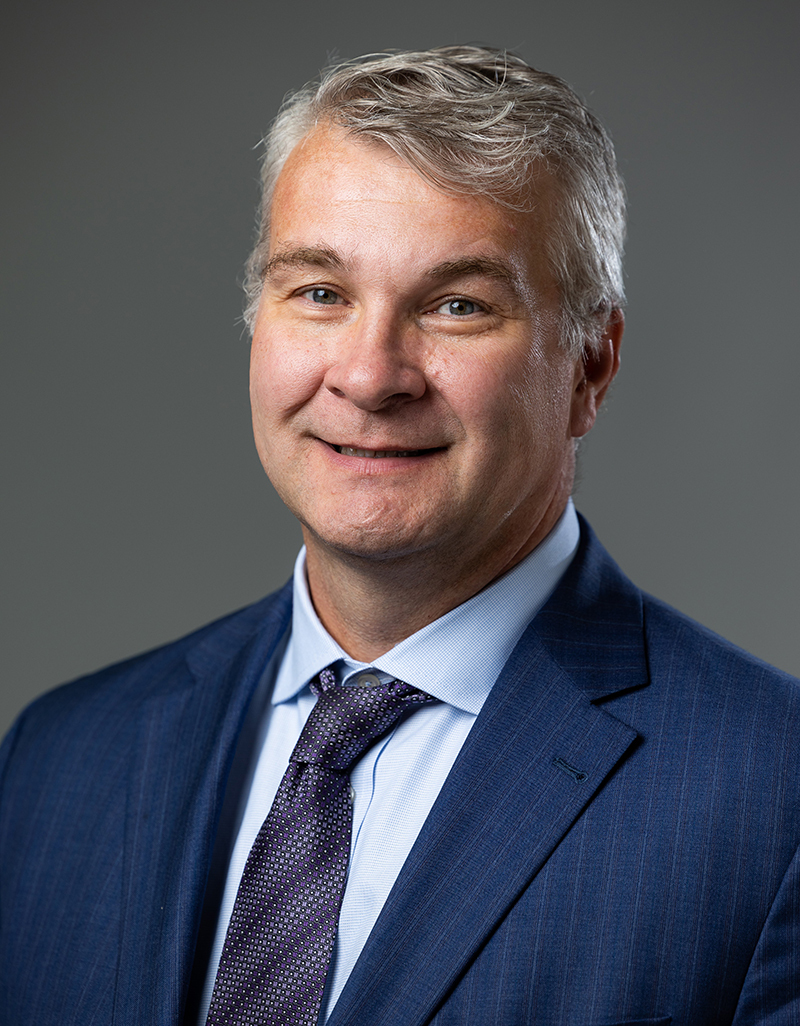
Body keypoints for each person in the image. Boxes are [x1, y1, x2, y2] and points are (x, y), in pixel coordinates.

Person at [1, 45, 798, 1026]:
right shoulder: (61, 760)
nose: (371, 376)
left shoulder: (773, 802)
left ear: (590, 364)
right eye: (320, 292)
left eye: (455, 305)